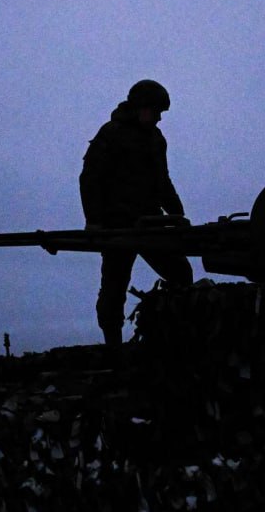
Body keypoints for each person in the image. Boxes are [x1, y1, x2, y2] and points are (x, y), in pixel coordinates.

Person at [79, 79, 194, 345]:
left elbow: (163, 181)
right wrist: (94, 221)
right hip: (117, 225)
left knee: (180, 273)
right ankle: (113, 345)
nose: (159, 118)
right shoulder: (111, 133)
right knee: (114, 286)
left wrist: (178, 214)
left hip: (150, 222)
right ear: (140, 107)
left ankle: (172, 335)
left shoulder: (156, 139)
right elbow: (90, 179)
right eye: (156, 111)